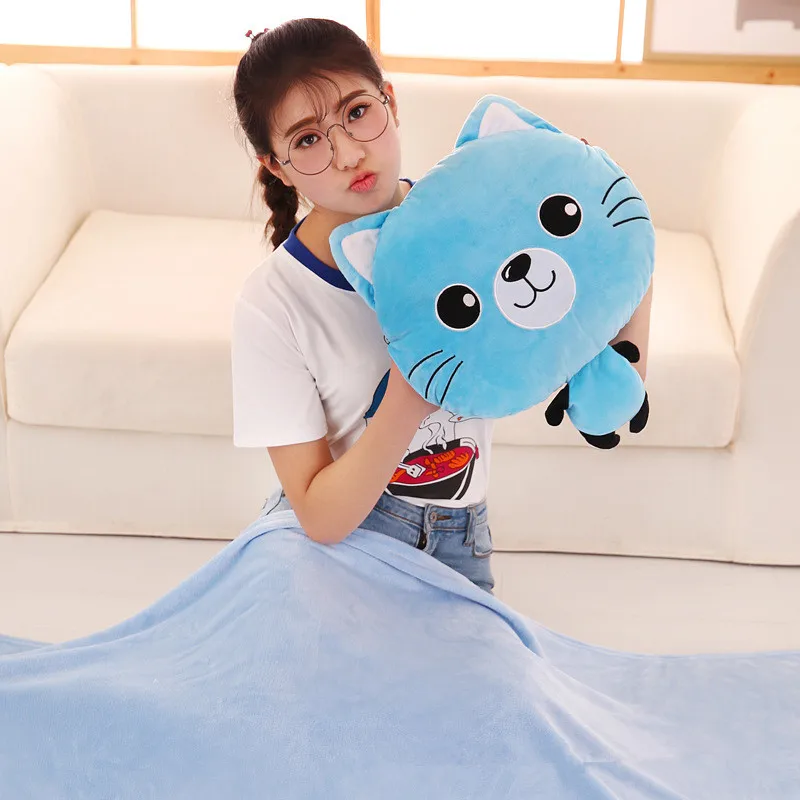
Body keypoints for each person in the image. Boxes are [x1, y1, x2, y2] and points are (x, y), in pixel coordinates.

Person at [230, 18, 653, 595]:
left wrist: (613, 238)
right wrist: (409, 394)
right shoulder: (272, 302)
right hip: (332, 550)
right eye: (307, 141)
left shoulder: (474, 224)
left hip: (460, 537)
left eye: (358, 111)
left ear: (391, 101)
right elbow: (320, 519)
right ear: (275, 166)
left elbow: (617, 303)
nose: (349, 153)